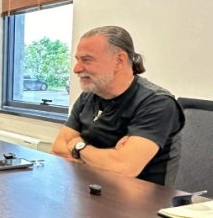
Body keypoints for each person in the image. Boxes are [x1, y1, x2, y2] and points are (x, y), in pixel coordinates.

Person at [51, 26, 184, 185]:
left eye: (86, 59)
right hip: (91, 188)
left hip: (141, 198)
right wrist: (109, 158)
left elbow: (122, 168)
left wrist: (78, 146)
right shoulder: (89, 96)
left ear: (119, 60)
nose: (76, 69)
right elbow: (58, 148)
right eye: (77, 60)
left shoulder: (157, 103)